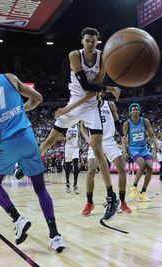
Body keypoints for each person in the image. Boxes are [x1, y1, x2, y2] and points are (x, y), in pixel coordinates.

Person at [0, 56, 64, 252]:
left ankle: (18, 218)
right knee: (40, 188)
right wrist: (22, 109)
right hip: (28, 138)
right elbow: (38, 98)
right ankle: (55, 236)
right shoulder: (9, 77)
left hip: (5, 144)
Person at [39, 27, 122, 221]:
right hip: (75, 102)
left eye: (94, 41)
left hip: (92, 106)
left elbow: (93, 93)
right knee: (50, 140)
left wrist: (104, 88)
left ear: (97, 42)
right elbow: (85, 86)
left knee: (96, 148)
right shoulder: (74, 55)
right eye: (87, 41)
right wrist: (109, 88)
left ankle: (112, 197)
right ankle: (28, 162)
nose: (91, 44)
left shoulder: (104, 58)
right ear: (82, 41)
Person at [80, 99, 131, 216]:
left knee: (122, 169)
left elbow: (117, 122)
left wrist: (123, 135)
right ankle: (89, 202)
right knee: (91, 171)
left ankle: (122, 201)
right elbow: (82, 127)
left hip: (109, 141)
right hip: (95, 141)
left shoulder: (110, 105)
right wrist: (88, 139)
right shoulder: (86, 105)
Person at [122, 103, 157, 202]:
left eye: (137, 109)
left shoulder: (145, 121)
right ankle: (134, 187)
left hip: (143, 148)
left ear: (139, 111)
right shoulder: (127, 123)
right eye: (133, 110)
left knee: (150, 166)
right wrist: (125, 152)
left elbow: (152, 135)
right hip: (133, 148)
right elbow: (124, 138)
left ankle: (143, 193)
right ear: (130, 112)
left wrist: (155, 149)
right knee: (142, 164)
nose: (135, 111)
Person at [63, 124, 80, 194]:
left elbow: (79, 136)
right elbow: (59, 137)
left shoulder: (77, 126)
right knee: (68, 165)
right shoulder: (66, 126)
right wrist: (66, 138)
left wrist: (79, 142)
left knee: (76, 165)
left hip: (75, 147)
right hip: (68, 147)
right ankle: (67, 183)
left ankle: (75, 185)